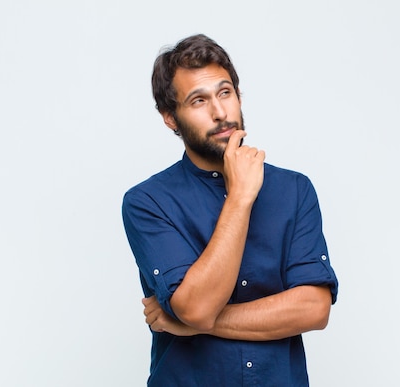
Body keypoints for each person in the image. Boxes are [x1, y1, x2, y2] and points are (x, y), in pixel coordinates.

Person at [122, 34, 338, 386]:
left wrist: (190, 324)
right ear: (170, 118)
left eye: (225, 93)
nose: (220, 112)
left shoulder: (294, 190)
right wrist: (239, 198)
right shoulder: (147, 202)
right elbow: (197, 307)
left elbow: (314, 309)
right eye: (198, 101)